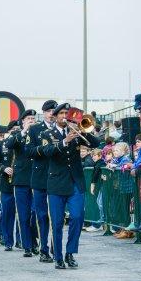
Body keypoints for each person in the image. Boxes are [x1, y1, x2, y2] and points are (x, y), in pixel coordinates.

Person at [42, 103, 101, 269]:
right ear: (55, 116)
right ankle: (58, 257)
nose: (64, 116)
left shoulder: (76, 132)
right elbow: (47, 152)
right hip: (56, 183)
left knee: (77, 217)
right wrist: (64, 141)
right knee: (57, 221)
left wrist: (82, 131)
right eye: (61, 113)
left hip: (75, 182)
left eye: (66, 113)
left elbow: (96, 143)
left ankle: (70, 252)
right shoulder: (48, 133)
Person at [25, 100, 57, 262]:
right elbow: (28, 151)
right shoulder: (35, 129)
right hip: (40, 177)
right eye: (49, 111)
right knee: (41, 215)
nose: (52, 113)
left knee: (56, 216)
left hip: (58, 177)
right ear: (43, 112)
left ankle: (55, 247)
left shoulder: (62, 129)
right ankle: (43, 248)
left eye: (54, 111)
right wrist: (43, 149)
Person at [7, 109, 37, 257]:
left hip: (37, 177)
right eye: (28, 118)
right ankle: (27, 245)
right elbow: (9, 144)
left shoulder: (39, 132)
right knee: (24, 214)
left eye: (33, 118)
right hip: (21, 179)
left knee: (36, 213)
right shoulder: (17, 134)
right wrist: (24, 130)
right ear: (23, 121)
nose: (31, 120)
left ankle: (35, 241)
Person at [0, 121, 18, 251]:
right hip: (7, 183)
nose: (15, 132)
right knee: (7, 213)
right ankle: (7, 240)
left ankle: (21, 240)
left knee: (23, 214)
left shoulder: (25, 142)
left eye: (18, 129)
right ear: (8, 132)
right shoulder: (2, 144)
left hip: (22, 183)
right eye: (13, 130)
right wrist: (3, 168)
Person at [87, 148, 105, 232]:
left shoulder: (100, 163)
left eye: (95, 155)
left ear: (100, 156)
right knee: (99, 202)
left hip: (105, 186)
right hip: (102, 186)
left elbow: (96, 174)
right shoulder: (97, 163)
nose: (93, 157)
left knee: (101, 203)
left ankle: (102, 221)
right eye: (92, 155)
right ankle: (101, 222)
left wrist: (92, 185)